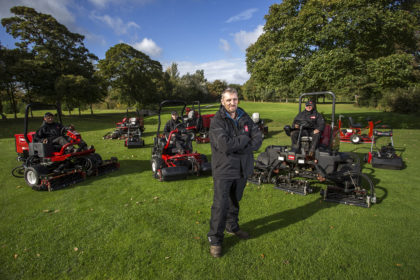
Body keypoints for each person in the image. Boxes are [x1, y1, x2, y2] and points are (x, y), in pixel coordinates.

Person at [207, 87, 262, 258]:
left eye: (235, 99)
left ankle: (232, 226)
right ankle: (215, 239)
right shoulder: (217, 121)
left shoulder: (244, 116)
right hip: (224, 169)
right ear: (222, 102)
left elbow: (258, 138)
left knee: (235, 200)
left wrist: (240, 146)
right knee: (220, 205)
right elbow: (225, 145)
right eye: (229, 100)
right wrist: (245, 140)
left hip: (242, 168)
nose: (232, 103)